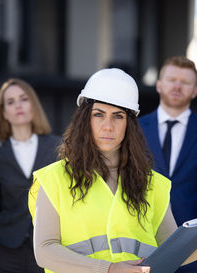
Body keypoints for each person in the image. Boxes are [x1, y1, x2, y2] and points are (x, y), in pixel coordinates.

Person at [29, 68, 196, 273]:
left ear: (129, 124)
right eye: (99, 114)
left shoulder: (153, 185)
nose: (108, 126)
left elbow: (176, 252)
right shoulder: (53, 179)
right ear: (85, 120)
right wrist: (108, 268)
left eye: (118, 116)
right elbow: (45, 251)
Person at [139, 56, 197, 273]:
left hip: (194, 251)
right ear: (159, 84)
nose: (177, 86)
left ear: (195, 90)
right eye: (172, 79)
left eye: (186, 82)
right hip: (142, 246)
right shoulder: (134, 130)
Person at [0, 78, 60, 273]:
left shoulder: (58, 148)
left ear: (33, 104)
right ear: (4, 112)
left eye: (23, 99)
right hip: (6, 250)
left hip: (48, 248)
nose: (18, 105)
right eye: (10, 102)